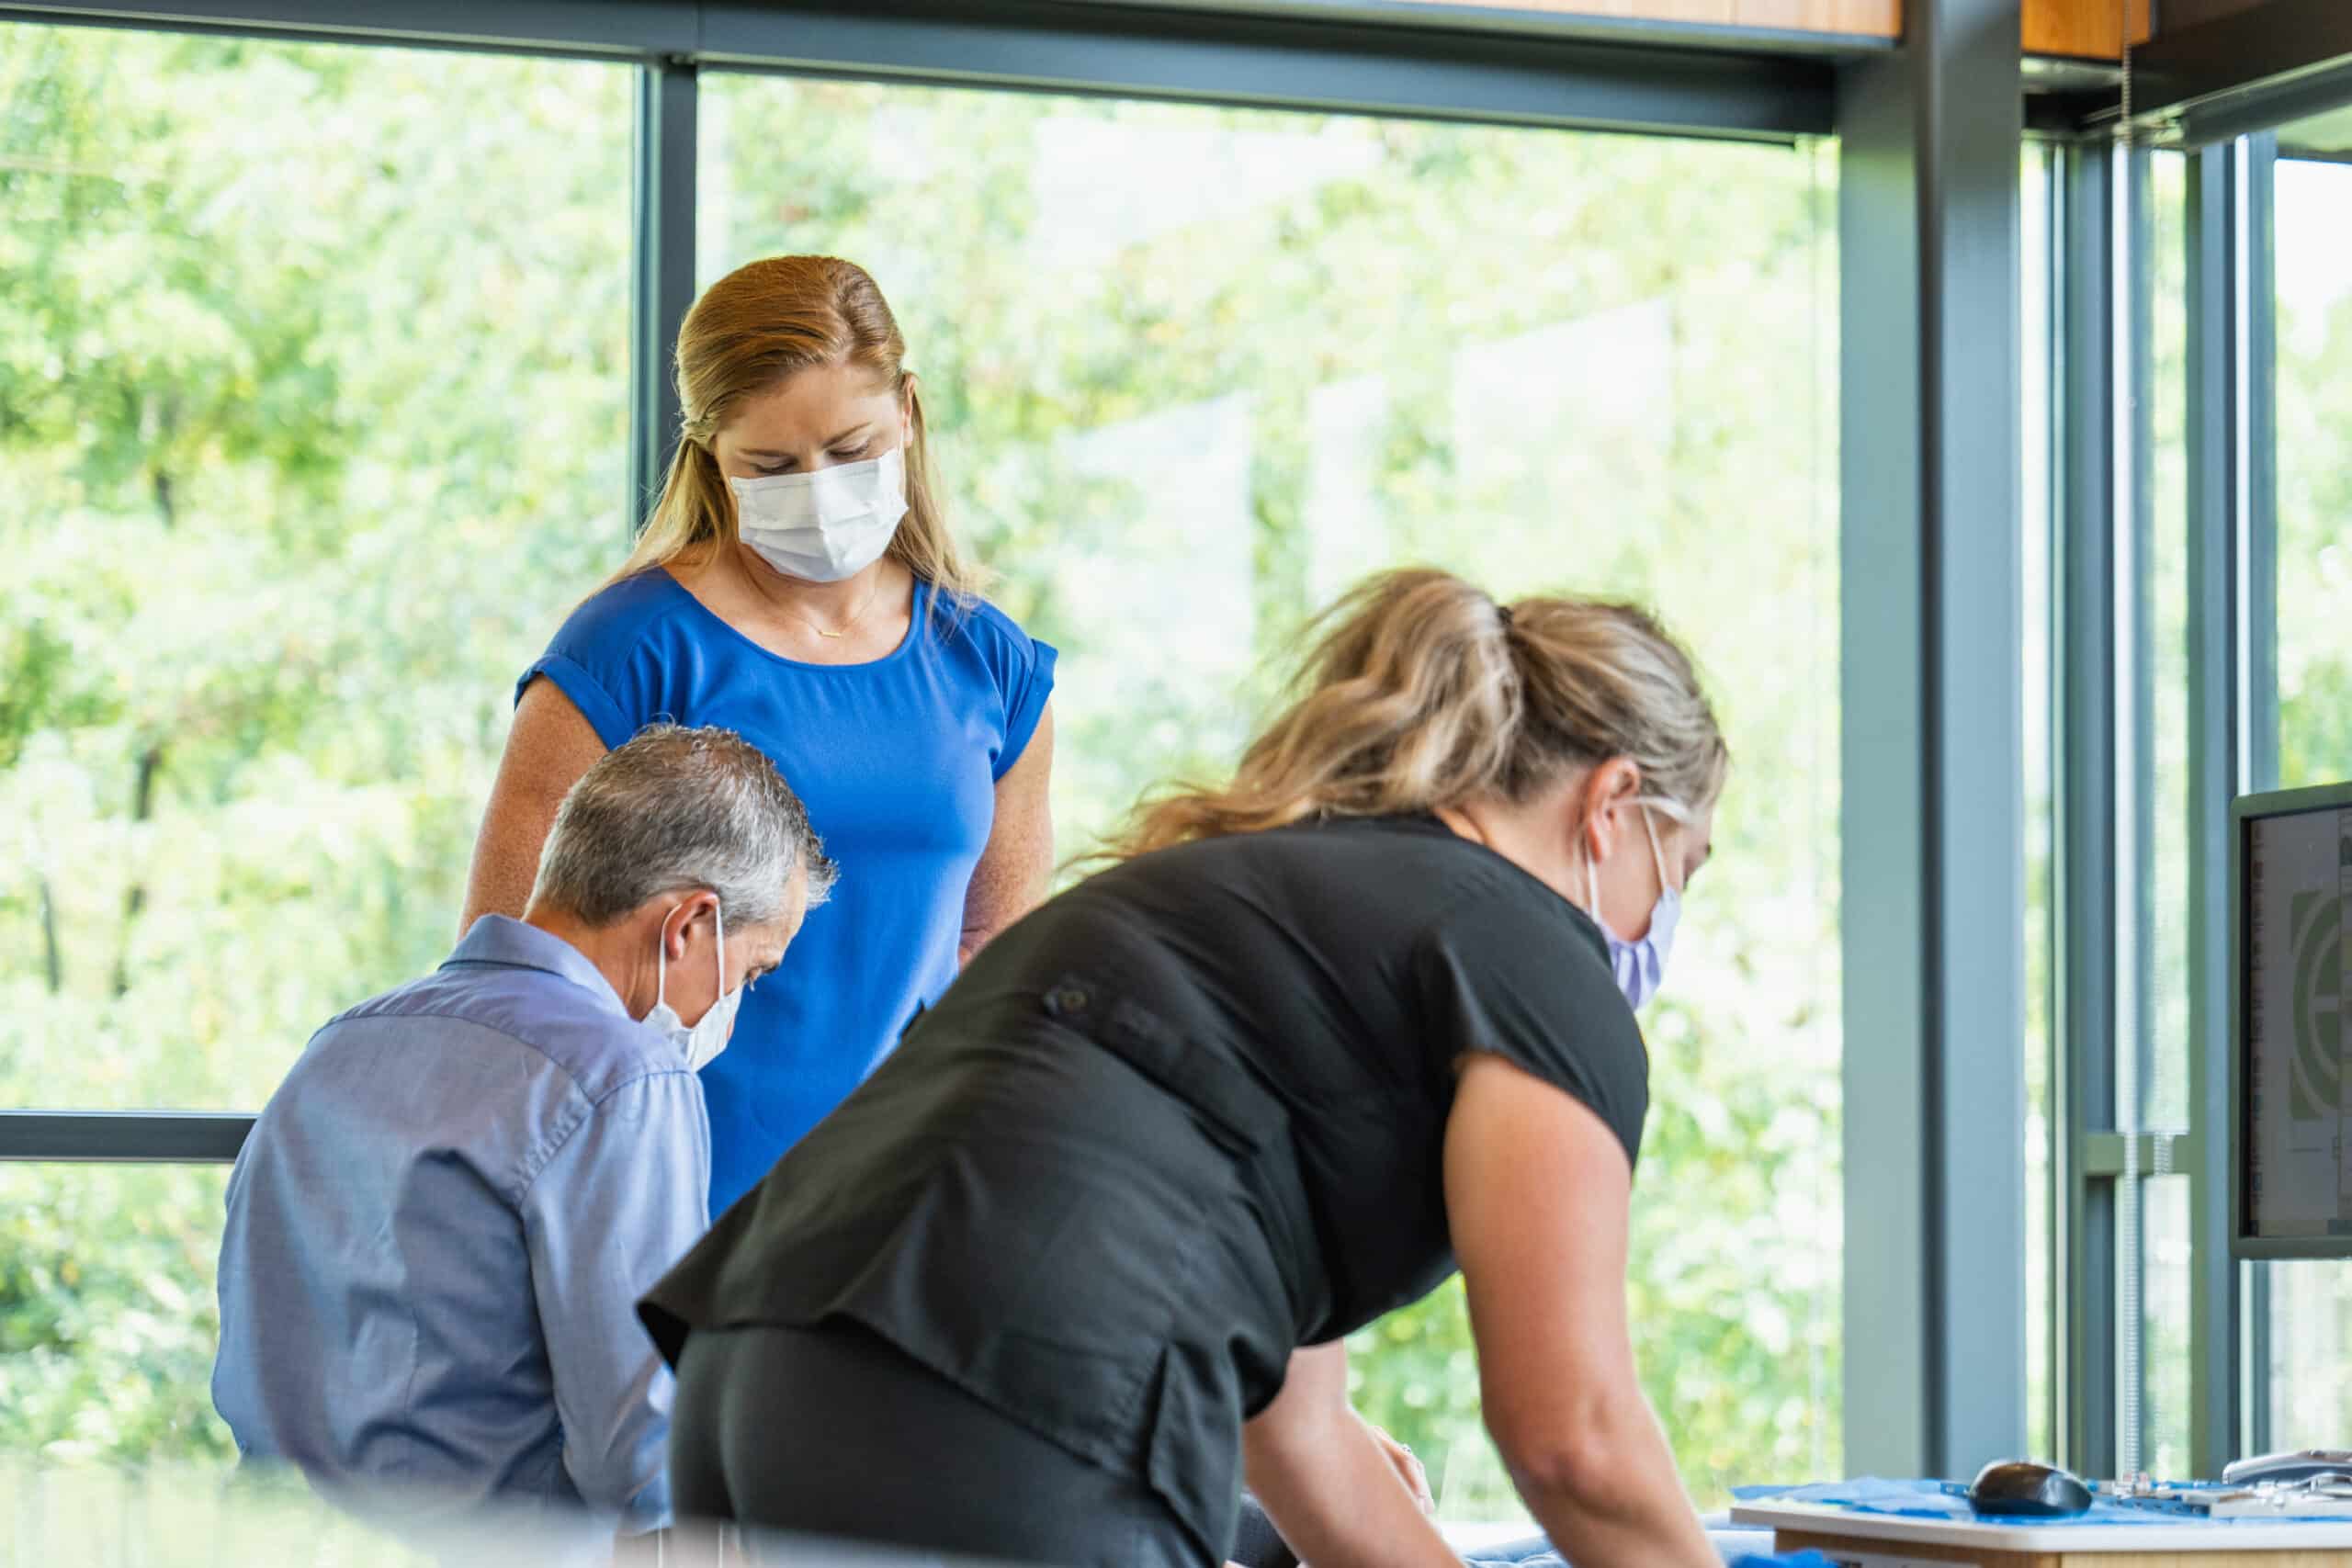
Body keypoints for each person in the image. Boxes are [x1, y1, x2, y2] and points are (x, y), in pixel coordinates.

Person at [640, 569, 1729, 1568]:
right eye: (1679, 869)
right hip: (1011, 1388)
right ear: (1610, 807)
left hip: (757, 1369)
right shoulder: (1538, 958)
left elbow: (1300, 1439)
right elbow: (1572, 1437)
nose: (1658, 922)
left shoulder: (1251, 897)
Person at [462, 255, 1056, 1215]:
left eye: (850, 447)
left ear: (907, 410)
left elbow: (998, 955)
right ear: (710, 457)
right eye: (771, 469)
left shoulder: (990, 666)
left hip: (906, 1210)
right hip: (656, 1204)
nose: (817, 492)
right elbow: (504, 971)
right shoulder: (632, 651)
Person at [214, 725, 833, 1541]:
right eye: (750, 971)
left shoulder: (340, 1044)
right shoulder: (627, 1075)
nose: (734, 1004)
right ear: (689, 924)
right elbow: (644, 1460)